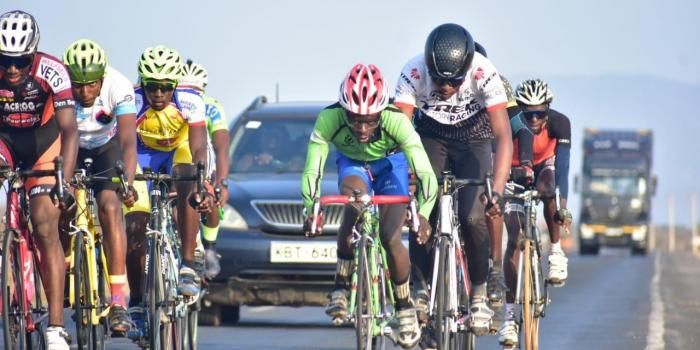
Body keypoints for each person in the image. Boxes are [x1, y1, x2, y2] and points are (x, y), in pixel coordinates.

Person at [301, 63, 437, 349]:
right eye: (355, 119)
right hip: (353, 166)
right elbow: (313, 169)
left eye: (370, 120)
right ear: (344, 110)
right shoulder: (329, 118)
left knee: (390, 236)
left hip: (391, 165)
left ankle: (403, 307)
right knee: (354, 205)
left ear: (381, 112)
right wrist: (310, 208)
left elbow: (425, 173)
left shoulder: (396, 120)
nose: (362, 128)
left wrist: (423, 214)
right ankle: (340, 286)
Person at [393, 23, 513, 336]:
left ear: (467, 69)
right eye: (440, 79)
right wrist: (405, 185)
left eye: (454, 81)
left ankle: (478, 295)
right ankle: (420, 287)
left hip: (474, 137)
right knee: (422, 212)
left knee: (473, 217)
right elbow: (399, 132)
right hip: (430, 136)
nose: (446, 87)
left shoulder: (483, 71)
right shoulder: (413, 72)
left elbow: (503, 137)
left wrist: (496, 192)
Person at [0, 10, 77, 350]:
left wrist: (67, 179)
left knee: (46, 224)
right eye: (6, 60)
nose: (12, 69)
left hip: (45, 145)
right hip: (6, 142)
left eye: (20, 60)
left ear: (32, 53)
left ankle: (56, 328)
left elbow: (69, 129)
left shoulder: (52, 70)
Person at [124, 45, 209, 341]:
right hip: (143, 154)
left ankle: (187, 263)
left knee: (187, 176)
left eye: (164, 87)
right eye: (151, 87)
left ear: (173, 86)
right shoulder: (132, 100)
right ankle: (136, 303)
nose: (157, 94)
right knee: (133, 225)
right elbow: (124, 146)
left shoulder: (189, 99)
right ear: (142, 84)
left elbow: (199, 146)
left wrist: (200, 180)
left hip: (178, 150)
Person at [62, 38, 138, 335]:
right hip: (71, 148)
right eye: (78, 85)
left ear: (102, 78)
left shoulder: (118, 85)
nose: (84, 92)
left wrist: (128, 182)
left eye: (91, 84)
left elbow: (129, 140)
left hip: (107, 147)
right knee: (60, 202)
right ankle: (67, 266)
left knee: (109, 205)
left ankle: (117, 300)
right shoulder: (60, 87)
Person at [497, 79, 572, 348]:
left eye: (540, 113)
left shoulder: (560, 124)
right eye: (529, 114)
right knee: (515, 239)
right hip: (514, 173)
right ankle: (508, 316)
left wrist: (563, 206)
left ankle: (555, 252)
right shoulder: (509, 121)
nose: (535, 119)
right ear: (520, 111)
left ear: (548, 110)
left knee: (549, 186)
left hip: (545, 169)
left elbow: (563, 167)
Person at [473, 42, 534, 308]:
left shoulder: (498, 85)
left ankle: (495, 269)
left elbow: (521, 129)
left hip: (492, 151)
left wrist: (526, 163)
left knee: (493, 204)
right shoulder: (443, 87)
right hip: (462, 151)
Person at [179, 59, 230, 279]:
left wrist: (222, 181)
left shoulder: (211, 106)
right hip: (177, 160)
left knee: (210, 199)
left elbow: (220, 147)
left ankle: (210, 248)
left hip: (201, 160)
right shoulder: (173, 103)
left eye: (195, 90)